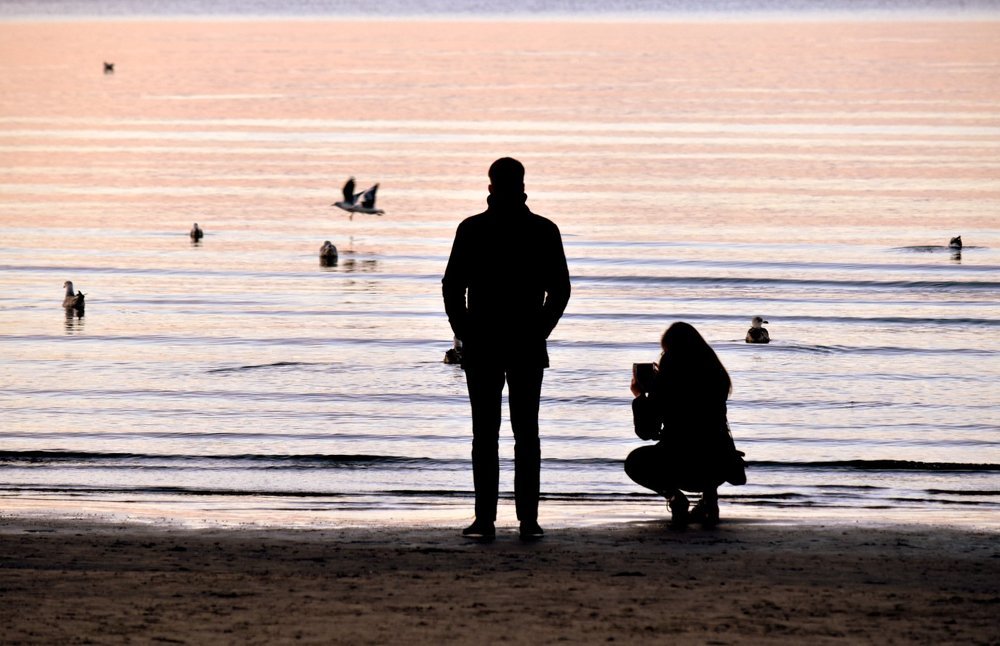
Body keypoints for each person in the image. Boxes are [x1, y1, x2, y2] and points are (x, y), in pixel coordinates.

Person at [442, 157, 571, 540]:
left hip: (487, 341)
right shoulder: (543, 230)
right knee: (525, 435)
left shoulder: (473, 228)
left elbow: (452, 287)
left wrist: (464, 330)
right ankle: (527, 520)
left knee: (486, 435)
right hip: (523, 342)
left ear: (490, 186)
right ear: (522, 184)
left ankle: (487, 519)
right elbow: (560, 290)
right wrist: (540, 329)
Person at [626, 322, 745, 527]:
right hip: (718, 466)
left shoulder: (667, 382)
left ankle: (675, 498)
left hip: (681, 466)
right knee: (709, 438)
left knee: (634, 462)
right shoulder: (716, 377)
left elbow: (647, 431)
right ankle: (709, 500)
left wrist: (641, 395)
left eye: (665, 352)